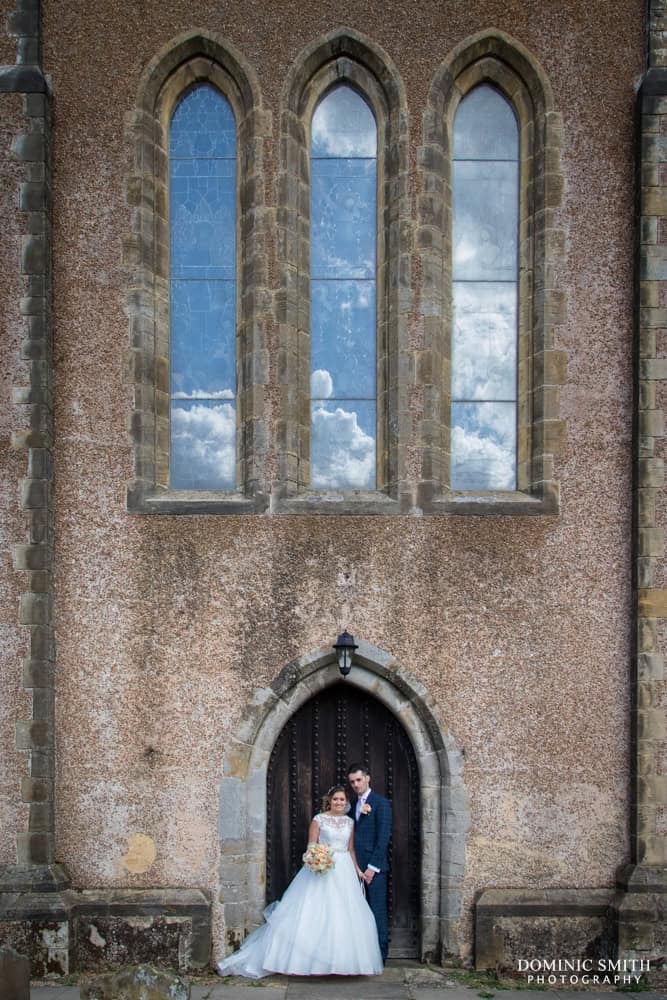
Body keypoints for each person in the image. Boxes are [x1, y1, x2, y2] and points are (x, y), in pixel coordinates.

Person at [217, 785, 383, 978]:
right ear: (329, 800)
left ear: (346, 802)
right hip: (323, 869)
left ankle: (340, 963)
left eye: (342, 800)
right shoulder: (319, 820)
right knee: (314, 913)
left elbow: (351, 849)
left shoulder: (349, 822)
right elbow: (311, 845)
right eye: (336, 799)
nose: (339, 802)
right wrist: (317, 859)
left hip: (344, 869)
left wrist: (358, 870)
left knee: (343, 913)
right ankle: (303, 961)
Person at [347, 763, 392, 962]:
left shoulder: (380, 803)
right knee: (358, 912)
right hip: (355, 868)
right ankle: (362, 954)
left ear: (367, 778)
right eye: (352, 782)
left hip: (375, 870)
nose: (356, 785)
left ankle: (381, 955)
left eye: (358, 780)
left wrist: (372, 869)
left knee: (377, 911)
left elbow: (383, 838)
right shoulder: (353, 806)